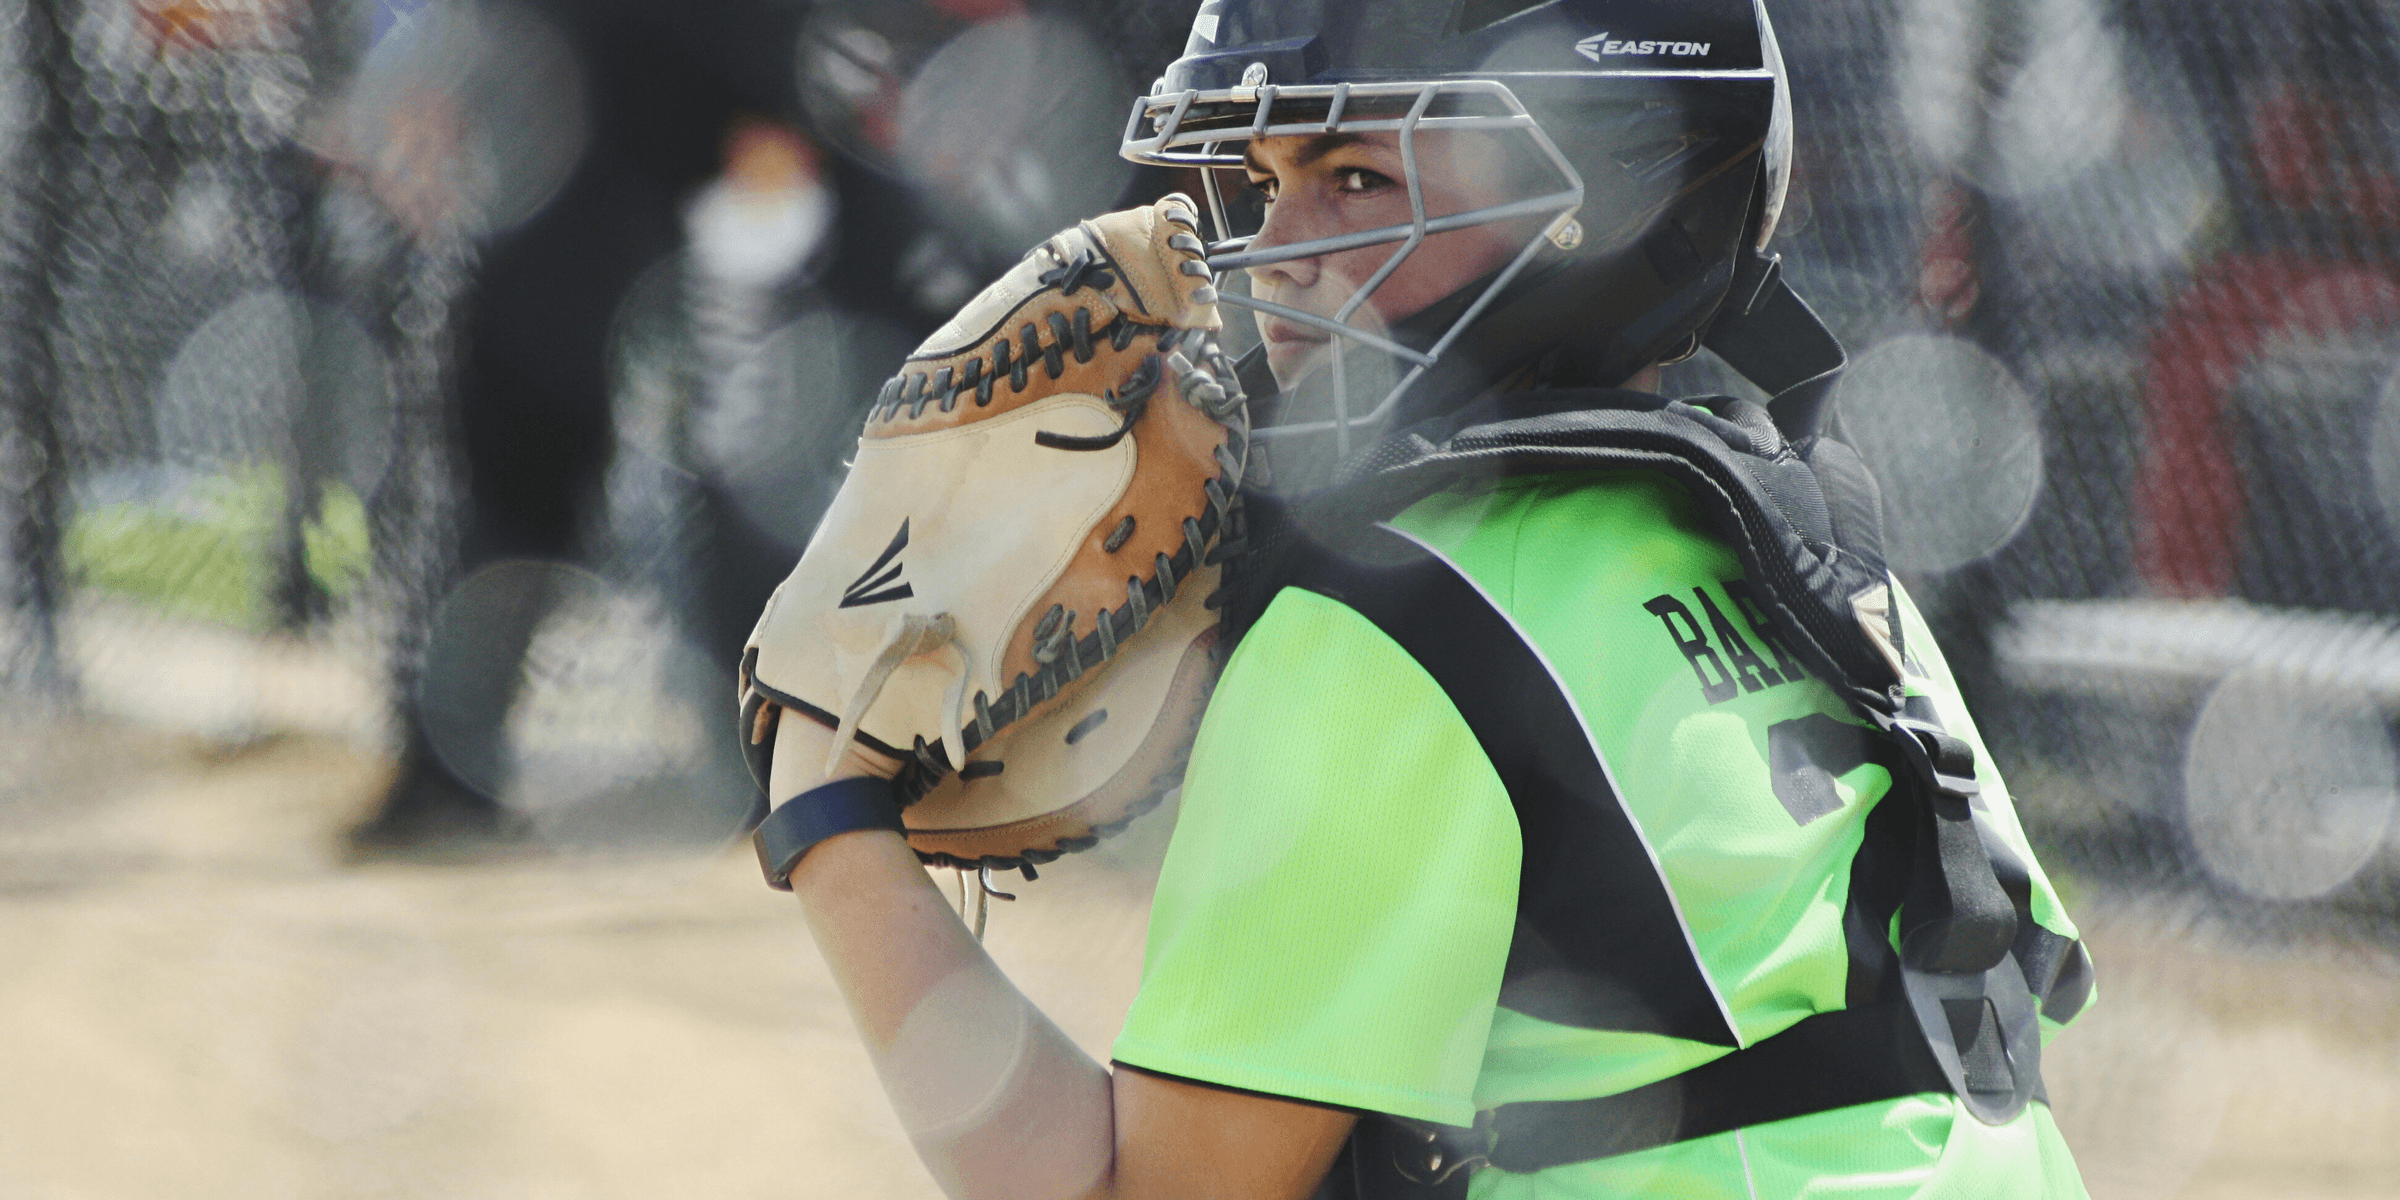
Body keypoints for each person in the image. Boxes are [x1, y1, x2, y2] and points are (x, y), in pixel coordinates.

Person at [758, 2, 2095, 1197]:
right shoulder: (1812, 541)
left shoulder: (1383, 630)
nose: (1277, 250)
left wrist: (826, 812)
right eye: (1266, 180)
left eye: (1355, 176)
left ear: (1614, 186)